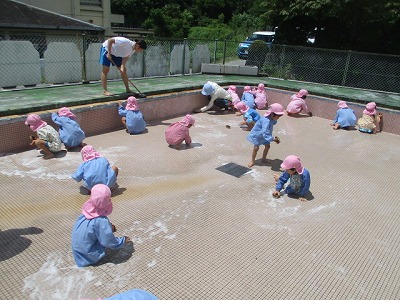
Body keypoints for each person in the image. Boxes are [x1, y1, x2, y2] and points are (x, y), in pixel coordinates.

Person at [71, 184, 130, 267]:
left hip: (78, 252)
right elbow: (108, 241)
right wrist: (122, 241)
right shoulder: (101, 221)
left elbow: (91, 226)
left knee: (103, 230)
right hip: (88, 255)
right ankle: (93, 256)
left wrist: (108, 227)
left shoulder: (86, 212)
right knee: (105, 235)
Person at [246, 103, 284, 168]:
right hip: (258, 135)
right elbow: (265, 132)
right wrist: (273, 139)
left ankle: (263, 159)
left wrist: (275, 120)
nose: (278, 118)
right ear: (272, 114)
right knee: (256, 148)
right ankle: (252, 161)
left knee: (267, 146)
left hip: (266, 136)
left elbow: (273, 123)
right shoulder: (266, 121)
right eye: (278, 116)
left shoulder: (272, 118)